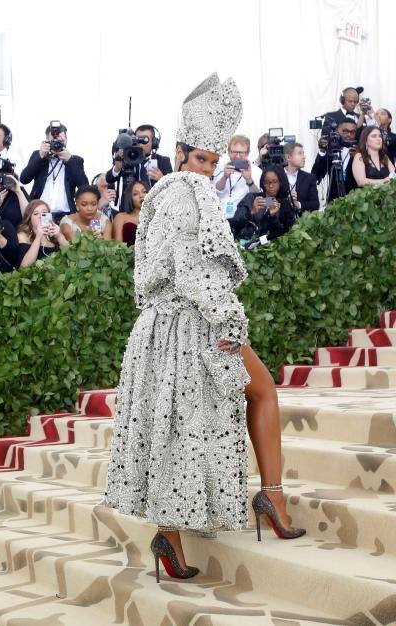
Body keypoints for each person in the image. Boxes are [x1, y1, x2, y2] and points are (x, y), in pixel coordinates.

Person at [103, 73, 304, 584]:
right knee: (258, 392)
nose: (207, 171)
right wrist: (229, 317)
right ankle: (270, 498)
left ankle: (171, 537)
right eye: (201, 159)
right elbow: (197, 268)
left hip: (157, 329)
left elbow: (150, 271)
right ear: (178, 152)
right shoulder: (191, 193)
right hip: (196, 326)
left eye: (214, 163)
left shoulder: (155, 199)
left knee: (175, 424)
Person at [19, 122, 88, 222]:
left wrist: (69, 160)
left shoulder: (75, 160)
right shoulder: (38, 156)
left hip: (66, 215)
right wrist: (40, 156)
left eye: (60, 141)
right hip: (41, 214)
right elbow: (24, 179)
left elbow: (84, 186)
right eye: (53, 141)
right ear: (46, 140)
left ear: (66, 141)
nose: (56, 144)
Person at [229, 167, 297, 243]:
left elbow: (284, 232)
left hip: (270, 247)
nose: (271, 186)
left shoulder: (284, 204)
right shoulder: (252, 197)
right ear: (263, 183)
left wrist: (272, 216)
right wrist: (251, 212)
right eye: (267, 182)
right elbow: (234, 222)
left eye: (274, 182)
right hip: (245, 242)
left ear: (280, 182)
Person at [212, 135, 262, 217]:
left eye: (241, 153)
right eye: (234, 152)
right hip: (219, 216)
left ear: (247, 153)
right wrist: (224, 177)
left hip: (242, 218)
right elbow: (215, 192)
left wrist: (249, 180)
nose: (238, 156)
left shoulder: (257, 171)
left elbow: (258, 197)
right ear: (228, 152)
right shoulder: (220, 168)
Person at [311, 119, 358, 204]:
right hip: (333, 202)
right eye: (345, 131)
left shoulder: (359, 152)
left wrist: (359, 157)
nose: (349, 135)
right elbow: (315, 175)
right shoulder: (330, 151)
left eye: (353, 132)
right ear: (337, 131)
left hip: (355, 202)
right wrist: (322, 151)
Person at [16, 200, 69, 268]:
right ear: (29, 218)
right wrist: (38, 237)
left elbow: (71, 255)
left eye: (44, 213)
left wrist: (59, 236)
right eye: (36, 214)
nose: (40, 216)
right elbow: (24, 266)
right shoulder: (22, 236)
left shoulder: (55, 233)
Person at [282, 142, 320, 214]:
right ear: (288, 157)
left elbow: (316, 204)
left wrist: (298, 204)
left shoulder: (309, 178)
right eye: (299, 153)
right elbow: (266, 201)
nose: (304, 156)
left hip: (301, 223)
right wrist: (284, 201)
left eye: (303, 153)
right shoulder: (276, 176)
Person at [113, 180, 148, 246]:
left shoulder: (156, 217)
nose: (141, 196)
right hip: (127, 255)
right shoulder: (121, 217)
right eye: (135, 194)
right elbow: (118, 247)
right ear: (130, 198)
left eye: (144, 192)